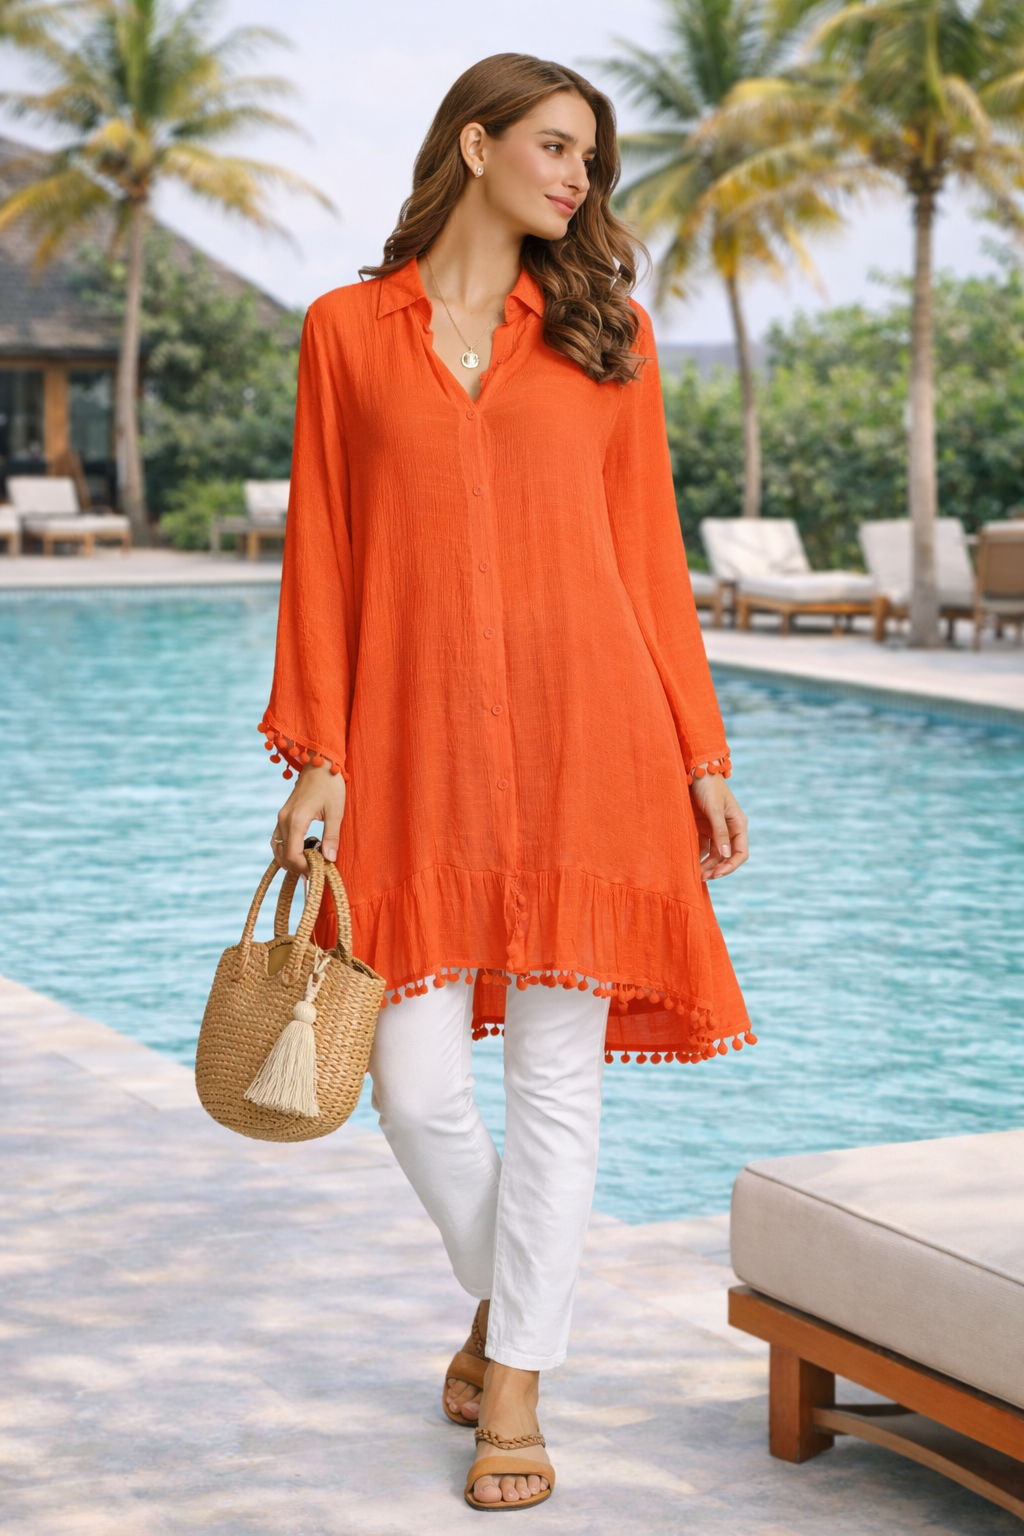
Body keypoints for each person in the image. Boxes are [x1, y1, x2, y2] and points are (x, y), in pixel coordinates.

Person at [261, 52, 751, 1512]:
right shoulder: (345, 332)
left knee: (553, 1085)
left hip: (593, 745)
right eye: (554, 146)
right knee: (412, 1089)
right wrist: (321, 756)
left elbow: (648, 559)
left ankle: (518, 1382)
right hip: (416, 756)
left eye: (591, 159)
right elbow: (324, 554)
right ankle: (508, 1303)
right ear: (474, 147)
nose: (579, 179)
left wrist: (701, 752)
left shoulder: (610, 338)